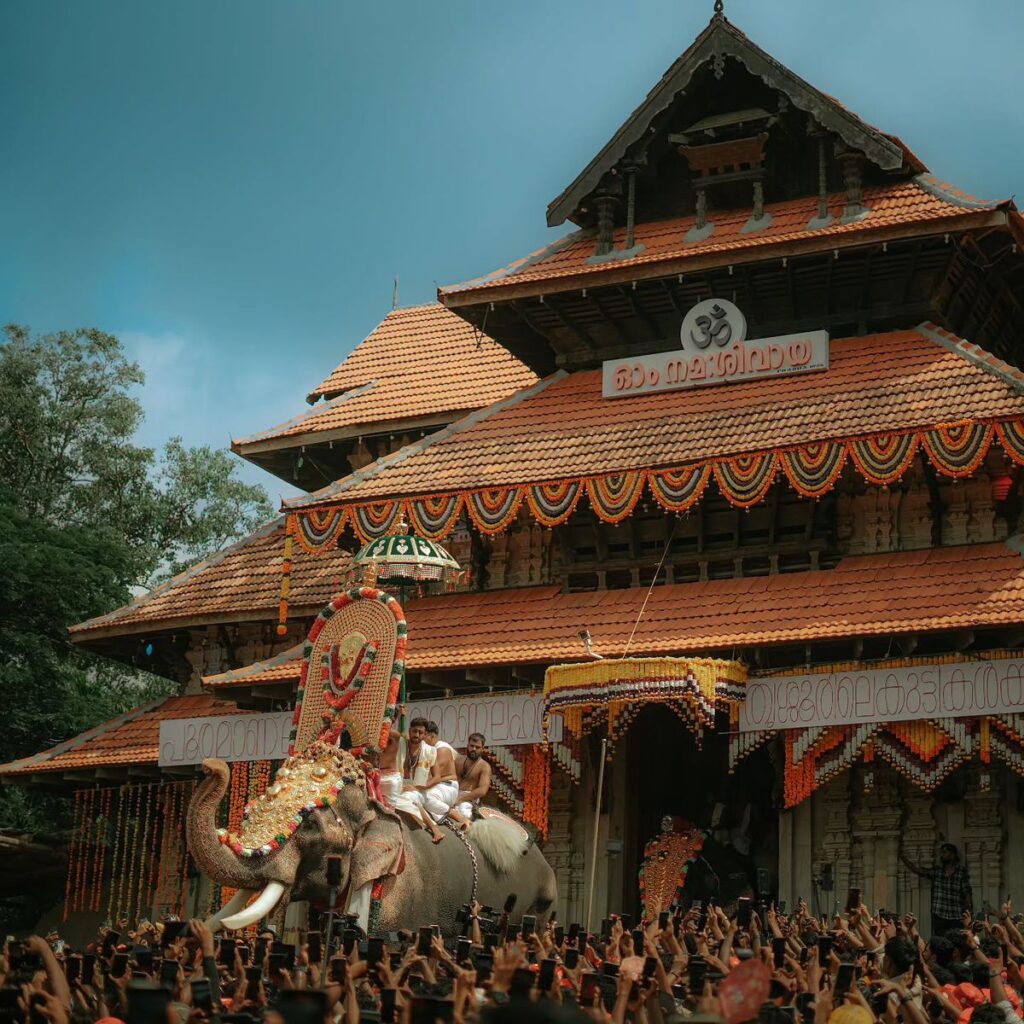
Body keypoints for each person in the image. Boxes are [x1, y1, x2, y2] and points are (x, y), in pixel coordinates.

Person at [899, 838, 973, 938]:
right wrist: (903, 857)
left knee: (956, 941)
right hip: (939, 914)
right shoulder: (938, 872)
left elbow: (966, 893)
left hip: (956, 915)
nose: (942, 855)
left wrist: (968, 912)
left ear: (952, 855)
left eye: (945, 852)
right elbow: (917, 870)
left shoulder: (961, 872)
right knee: (939, 942)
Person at [448, 732, 492, 832]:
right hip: (452, 793)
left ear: (482, 749)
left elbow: (482, 790)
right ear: (467, 746)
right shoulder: (458, 760)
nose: (474, 749)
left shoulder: (485, 767)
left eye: (477, 747)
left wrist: (460, 799)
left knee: (464, 814)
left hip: (468, 800)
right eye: (472, 746)